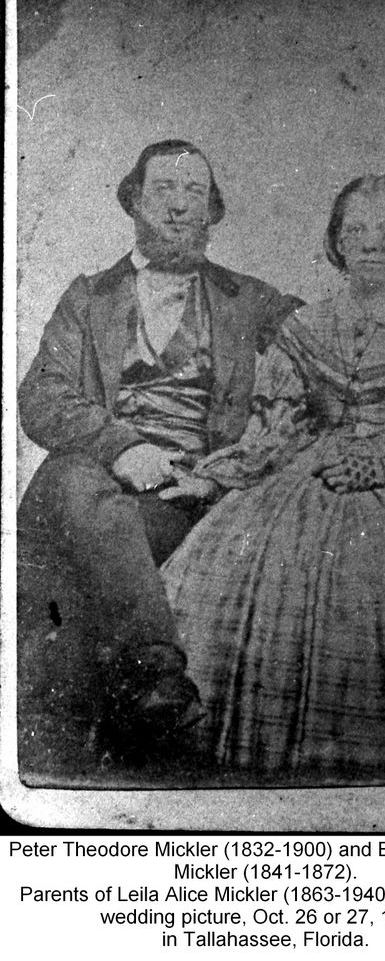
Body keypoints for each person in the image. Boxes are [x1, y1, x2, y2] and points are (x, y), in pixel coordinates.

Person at [161, 174, 385, 786]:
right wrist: (216, 480)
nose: (370, 242)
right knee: (241, 560)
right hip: (309, 474)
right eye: (355, 230)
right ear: (337, 243)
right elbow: (277, 429)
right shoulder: (307, 328)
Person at [17, 139, 301, 771]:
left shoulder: (247, 298)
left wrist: (221, 474)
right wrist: (124, 447)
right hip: (98, 475)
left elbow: (328, 346)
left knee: (94, 527)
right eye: (164, 190)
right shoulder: (88, 297)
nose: (178, 206)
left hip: (182, 491)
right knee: (75, 481)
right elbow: (41, 397)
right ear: (134, 202)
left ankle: (130, 714)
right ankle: (159, 688)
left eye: (194, 192)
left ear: (212, 210)